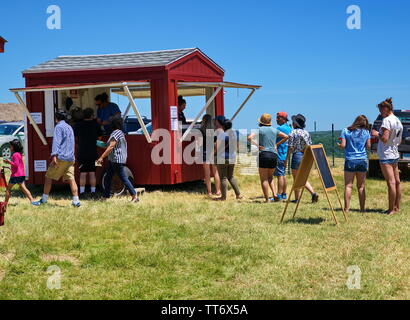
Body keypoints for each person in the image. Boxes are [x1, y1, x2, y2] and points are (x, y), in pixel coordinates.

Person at [33, 112, 81, 207]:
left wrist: (54, 155)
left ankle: (44, 200)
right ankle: (76, 201)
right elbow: (72, 142)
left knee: (48, 177)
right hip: (70, 157)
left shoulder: (58, 127)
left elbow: (56, 142)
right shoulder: (69, 127)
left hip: (61, 157)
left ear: (56, 118)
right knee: (71, 179)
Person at [371, 98, 403, 215]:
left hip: (386, 155)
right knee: (397, 181)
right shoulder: (398, 121)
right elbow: (399, 140)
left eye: (380, 110)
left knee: (391, 183)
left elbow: (384, 138)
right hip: (395, 152)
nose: (380, 113)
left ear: (385, 109)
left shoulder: (387, 121)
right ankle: (397, 207)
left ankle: (390, 209)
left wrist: (376, 134)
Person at [248, 114, 289, 203]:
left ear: (261, 122)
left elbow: (249, 137)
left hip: (264, 154)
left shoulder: (259, 130)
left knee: (264, 179)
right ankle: (274, 194)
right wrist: (276, 145)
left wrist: (258, 146)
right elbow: (286, 136)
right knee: (270, 177)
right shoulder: (275, 130)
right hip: (274, 155)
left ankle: (267, 199)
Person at [97, 116, 139, 203]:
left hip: (116, 159)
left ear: (113, 124)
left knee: (123, 178)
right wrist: (96, 142)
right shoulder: (120, 132)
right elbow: (107, 145)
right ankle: (106, 196)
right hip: (114, 159)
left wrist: (101, 157)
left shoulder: (115, 133)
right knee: (108, 177)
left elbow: (111, 146)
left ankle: (134, 197)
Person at [339, 115, 371, 213]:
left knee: (348, 185)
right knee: (361, 186)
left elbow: (343, 145)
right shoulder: (366, 132)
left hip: (350, 159)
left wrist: (339, 145)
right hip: (362, 160)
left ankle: (346, 209)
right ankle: (362, 209)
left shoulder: (346, 131)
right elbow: (369, 146)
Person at [285, 114, 319, 203]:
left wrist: (286, 159)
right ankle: (310, 194)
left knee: (296, 179)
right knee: (302, 178)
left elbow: (290, 147)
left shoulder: (292, 133)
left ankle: (302, 197)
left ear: (296, 124)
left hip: (297, 156)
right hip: (306, 156)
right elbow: (309, 146)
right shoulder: (306, 133)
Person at [74, 108, 103, 199]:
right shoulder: (96, 125)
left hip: (81, 153)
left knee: (83, 173)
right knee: (92, 173)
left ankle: (82, 193)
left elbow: (75, 138)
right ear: (92, 115)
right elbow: (100, 138)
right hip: (94, 153)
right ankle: (93, 192)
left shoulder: (77, 125)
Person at [214, 116, 242, 201]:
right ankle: (238, 194)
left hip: (222, 158)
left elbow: (217, 148)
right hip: (232, 157)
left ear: (222, 125)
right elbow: (238, 146)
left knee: (223, 178)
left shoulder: (222, 134)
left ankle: (223, 197)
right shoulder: (234, 133)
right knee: (231, 177)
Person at [3, 140, 35, 207]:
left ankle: (5, 203)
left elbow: (16, 165)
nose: (10, 147)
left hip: (15, 175)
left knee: (8, 189)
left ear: (14, 147)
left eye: (11, 146)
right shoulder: (19, 154)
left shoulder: (15, 154)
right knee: (24, 188)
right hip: (21, 175)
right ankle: (32, 201)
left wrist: (8, 162)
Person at [199, 114, 221, 198]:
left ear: (204, 121)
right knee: (216, 172)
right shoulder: (215, 130)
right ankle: (218, 191)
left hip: (205, 152)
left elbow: (199, 143)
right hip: (213, 152)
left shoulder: (201, 130)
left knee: (207, 173)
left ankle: (209, 192)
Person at [274, 112, 292, 201]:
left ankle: (279, 195)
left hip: (279, 154)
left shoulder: (279, 128)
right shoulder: (289, 128)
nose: (276, 119)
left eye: (278, 118)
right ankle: (284, 194)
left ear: (283, 119)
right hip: (286, 154)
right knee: (283, 174)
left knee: (280, 175)